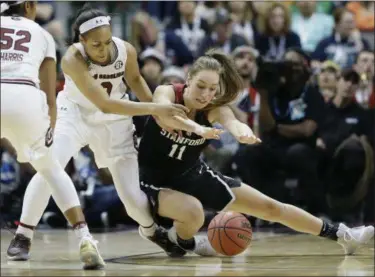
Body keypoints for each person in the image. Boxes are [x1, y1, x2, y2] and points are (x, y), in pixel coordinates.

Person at [138, 49, 374, 257]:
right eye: (201, 86)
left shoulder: (213, 107)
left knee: (271, 208)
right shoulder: (167, 92)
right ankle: (184, 241)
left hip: (191, 174)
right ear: (188, 79)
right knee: (194, 213)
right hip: (152, 180)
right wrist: (198, 129)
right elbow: (165, 114)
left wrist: (243, 132)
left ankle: (343, 236)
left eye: (212, 89)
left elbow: (231, 121)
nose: (205, 94)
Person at [5, 3, 189, 261]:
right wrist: (158, 109)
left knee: (133, 200)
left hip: (115, 120)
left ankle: (150, 230)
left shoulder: (126, 50)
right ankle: (24, 234)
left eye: (106, 42)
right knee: (49, 168)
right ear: (82, 40)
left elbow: (135, 80)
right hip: (75, 113)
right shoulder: (71, 58)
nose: (103, 50)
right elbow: (103, 102)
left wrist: (158, 115)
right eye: (96, 45)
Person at [0, 0, 104, 269]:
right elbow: (49, 96)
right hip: (24, 98)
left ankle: (22, 239)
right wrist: (50, 128)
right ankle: (84, 237)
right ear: (30, 6)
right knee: (51, 170)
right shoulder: (43, 35)